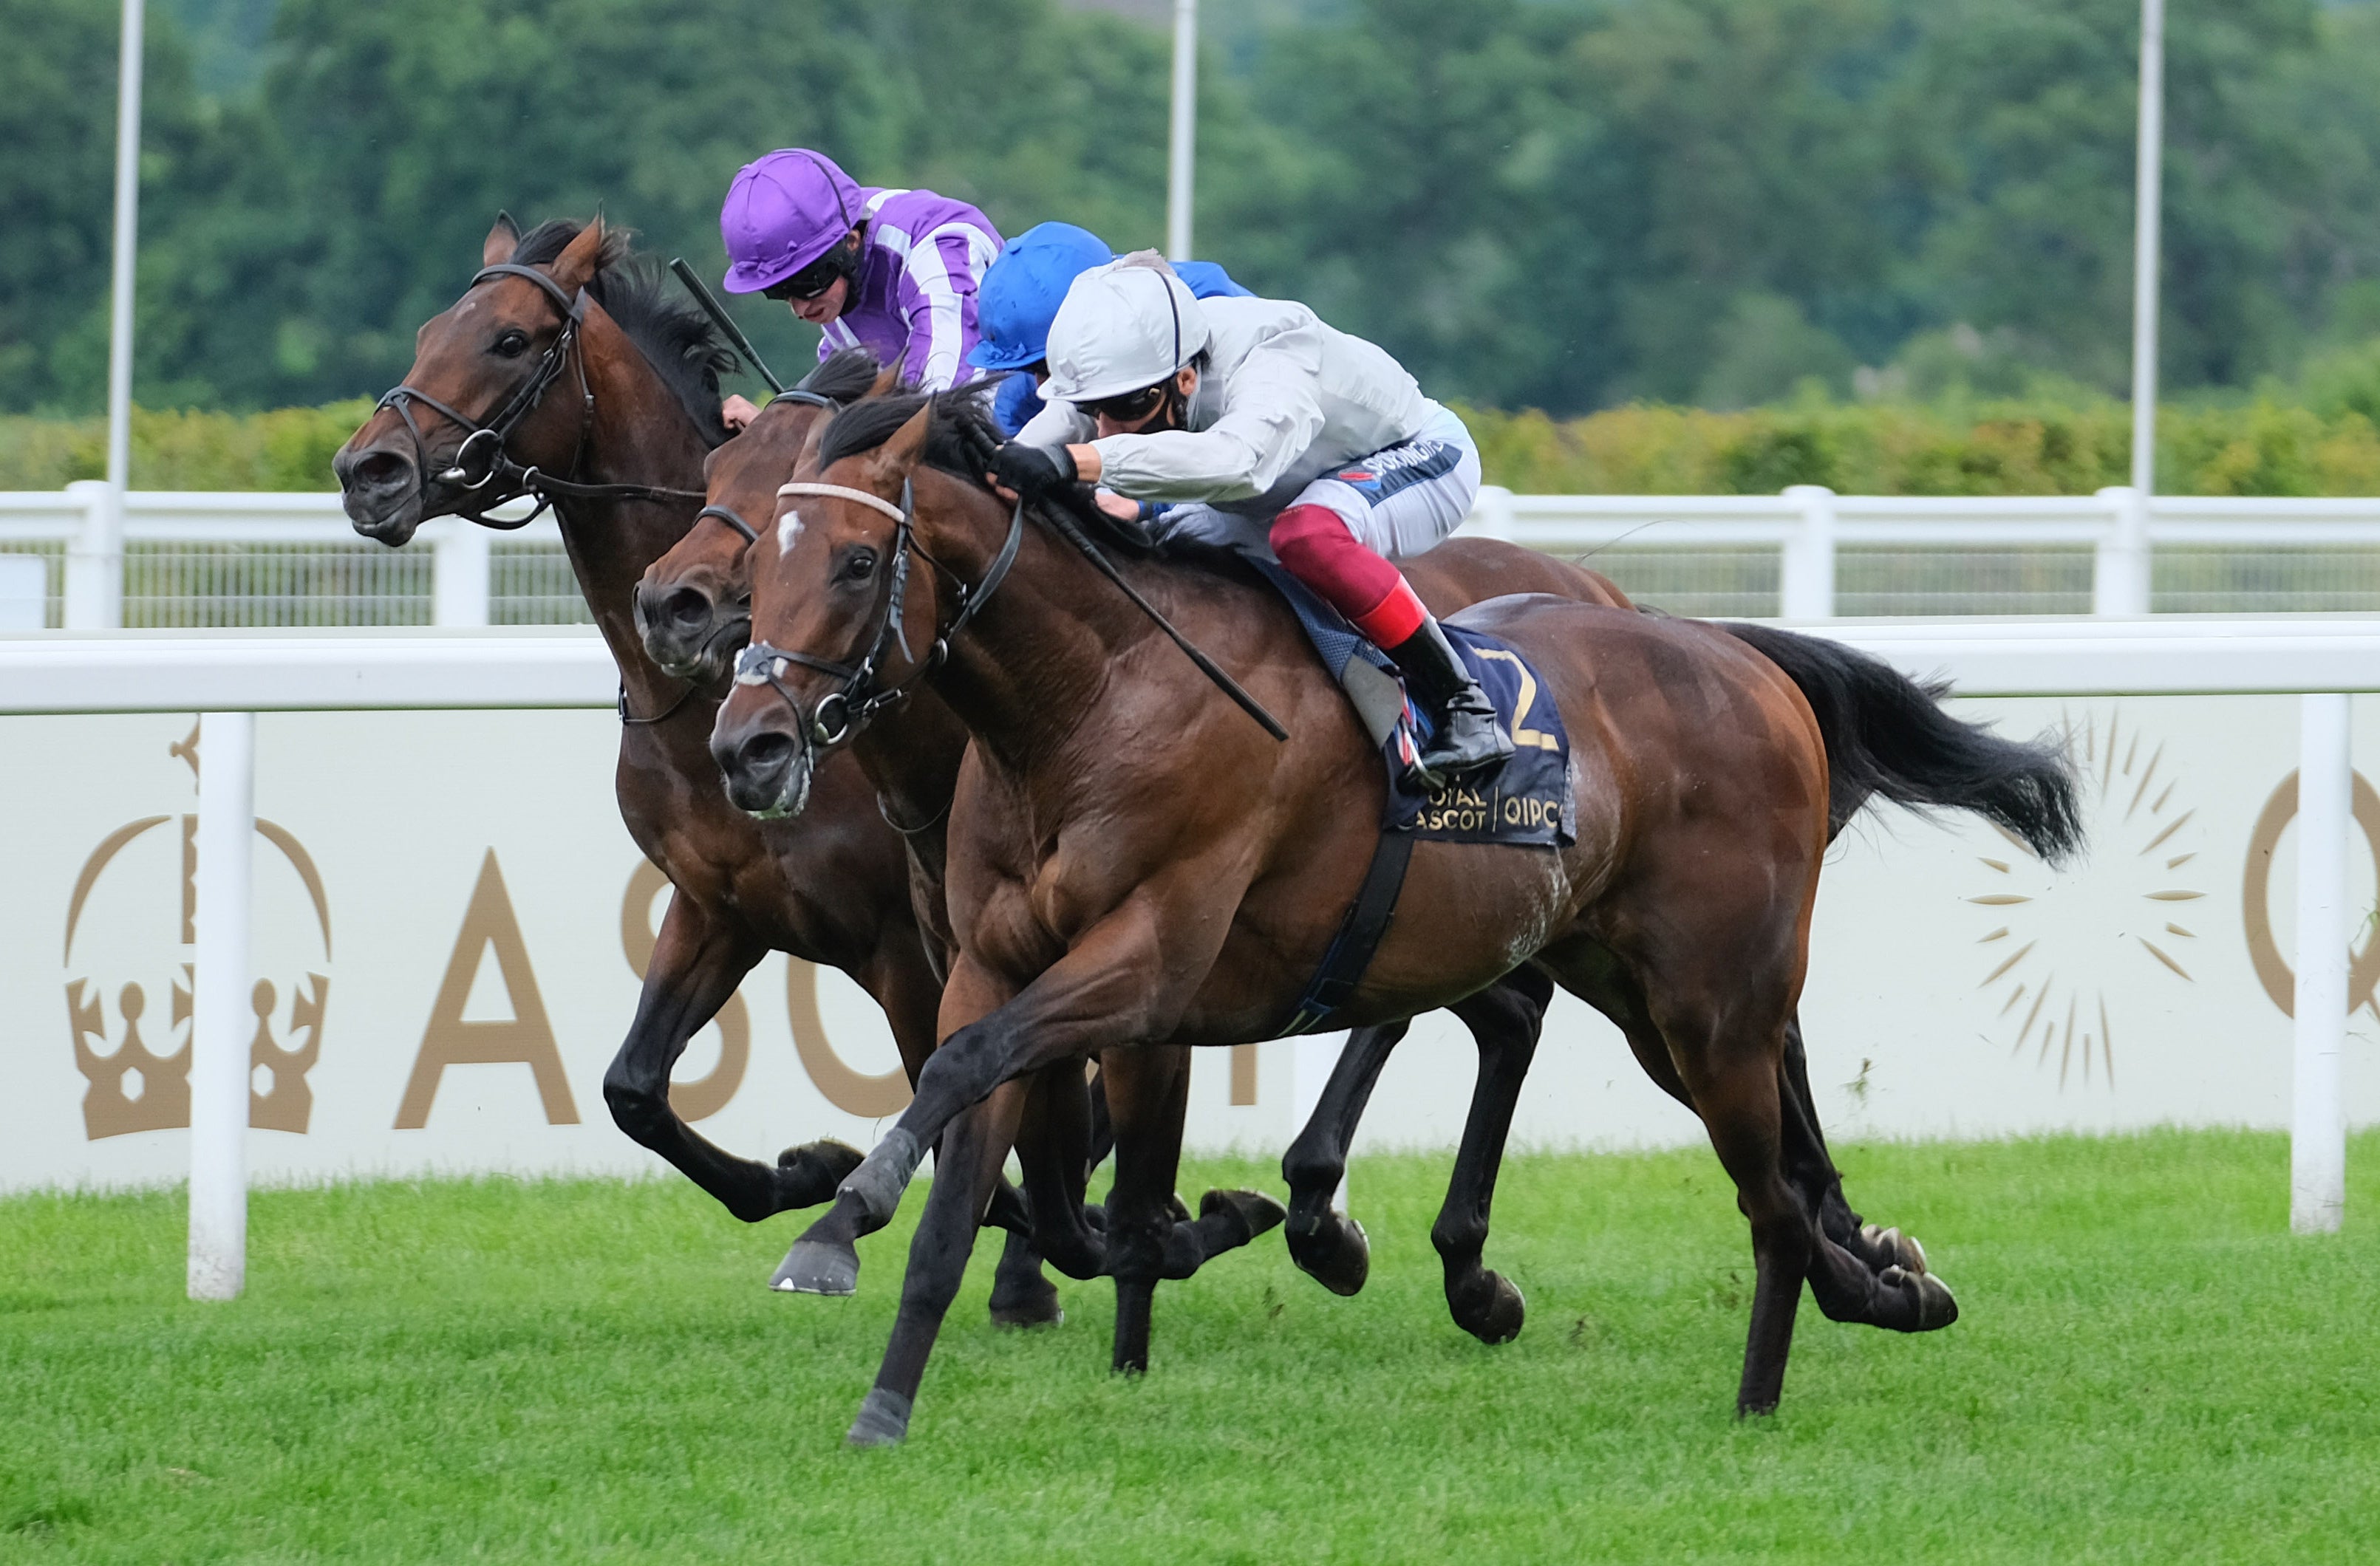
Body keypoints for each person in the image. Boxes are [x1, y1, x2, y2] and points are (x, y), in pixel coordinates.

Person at [992, 254, 1511, 783]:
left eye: (1123, 410)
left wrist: (1074, 462)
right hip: (1284, 489)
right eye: (1097, 410)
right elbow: (1069, 416)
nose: (1105, 429)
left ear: (1186, 380)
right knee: (1146, 548)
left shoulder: (1272, 357)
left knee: (1308, 535)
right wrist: (1000, 462)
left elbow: (1241, 467)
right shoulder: (1143, 371)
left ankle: (1462, 705)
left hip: (1417, 454)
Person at [715, 149, 1002, 428]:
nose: (799, 309)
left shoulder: (940, 254)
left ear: (851, 243)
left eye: (807, 284)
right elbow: (841, 411)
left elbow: (938, 409)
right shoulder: (835, 274)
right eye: (779, 291)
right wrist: (770, 432)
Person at [968, 222, 1251, 437]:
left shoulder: (1208, 311)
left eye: (1046, 365)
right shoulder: (1017, 398)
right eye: (1031, 370)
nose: (1042, 385)